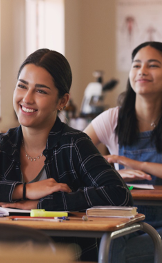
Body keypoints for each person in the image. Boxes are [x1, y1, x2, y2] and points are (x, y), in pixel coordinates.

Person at [0, 48, 132, 260]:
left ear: (62, 101)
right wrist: (23, 190)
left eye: (41, 91)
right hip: (3, 253)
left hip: (63, 254)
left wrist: (43, 205)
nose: (27, 98)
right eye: (22, 86)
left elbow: (119, 194)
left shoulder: (74, 144)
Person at [84, 41, 162, 263]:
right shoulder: (113, 119)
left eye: (153, 65)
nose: (142, 71)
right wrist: (110, 173)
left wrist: (136, 165)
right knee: (112, 247)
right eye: (136, 65)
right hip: (128, 222)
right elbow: (73, 157)